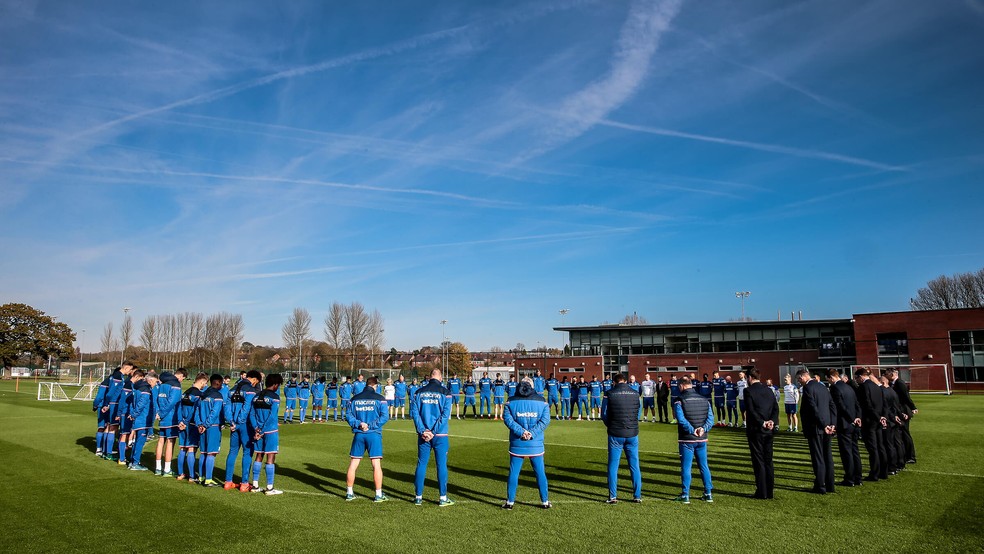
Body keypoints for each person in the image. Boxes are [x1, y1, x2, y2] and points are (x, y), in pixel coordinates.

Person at [502, 378, 551, 510]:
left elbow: (507, 419)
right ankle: (545, 501)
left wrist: (522, 432)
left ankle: (510, 502)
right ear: (532, 386)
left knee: (514, 473)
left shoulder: (510, 401)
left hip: (518, 443)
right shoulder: (542, 402)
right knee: (540, 473)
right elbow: (545, 421)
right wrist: (531, 433)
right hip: (535, 443)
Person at [410, 369, 454, 506]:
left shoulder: (418, 392)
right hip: (440, 435)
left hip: (423, 435)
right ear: (440, 377)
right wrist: (433, 431)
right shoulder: (446, 392)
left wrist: (423, 430)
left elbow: (415, 414)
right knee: (441, 465)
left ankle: (418, 497)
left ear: (430, 377)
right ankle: (442, 497)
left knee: (421, 464)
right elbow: (445, 416)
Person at [345, 376, 390, 502]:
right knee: (376, 465)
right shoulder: (380, 398)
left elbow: (348, 415)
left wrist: (359, 423)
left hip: (359, 433)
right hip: (373, 434)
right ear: (375, 385)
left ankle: (349, 492)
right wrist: (370, 425)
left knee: (353, 464)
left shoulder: (354, 399)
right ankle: (378, 494)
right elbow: (384, 417)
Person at [672, 377, 714, 504]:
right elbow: (711, 419)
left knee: (686, 467)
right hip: (702, 438)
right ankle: (708, 493)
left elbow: (681, 419)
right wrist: (703, 429)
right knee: (704, 466)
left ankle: (685, 495)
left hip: (687, 439)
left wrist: (692, 430)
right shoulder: (704, 399)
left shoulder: (679, 401)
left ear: (682, 386)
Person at [601, 374, 642, 503]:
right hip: (632, 433)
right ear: (625, 381)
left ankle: (613, 496)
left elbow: (604, 414)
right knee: (634, 465)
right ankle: (637, 496)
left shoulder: (610, 393)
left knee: (613, 465)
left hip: (615, 433)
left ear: (614, 382)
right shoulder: (635, 393)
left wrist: (611, 424)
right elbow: (638, 412)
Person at [798, 369, 836, 494]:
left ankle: (820, 485)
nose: (799, 382)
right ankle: (830, 484)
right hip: (827, 427)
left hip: (816, 427)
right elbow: (832, 406)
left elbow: (813, 409)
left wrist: (824, 424)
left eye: (799, 379)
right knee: (827, 456)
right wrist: (831, 424)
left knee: (818, 457)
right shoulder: (823, 387)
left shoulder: (808, 388)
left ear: (803, 377)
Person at [743, 369, 778, 499]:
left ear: (750, 378)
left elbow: (750, 411)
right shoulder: (769, 390)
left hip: (756, 430)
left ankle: (762, 491)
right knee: (768, 460)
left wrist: (762, 422)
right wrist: (772, 421)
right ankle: (770, 491)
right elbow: (775, 408)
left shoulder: (748, 391)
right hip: (769, 430)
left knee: (759, 461)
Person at [223, 370, 261, 490]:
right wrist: (240, 420)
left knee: (232, 451)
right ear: (254, 379)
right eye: (257, 382)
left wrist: (231, 421)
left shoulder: (233, 388)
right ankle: (244, 483)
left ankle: (228, 482)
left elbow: (227, 407)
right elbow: (247, 406)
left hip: (234, 424)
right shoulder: (249, 389)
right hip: (244, 424)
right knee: (247, 452)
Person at [248, 372, 283, 495]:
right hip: (270, 431)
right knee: (270, 457)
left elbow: (251, 414)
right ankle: (269, 488)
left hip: (257, 431)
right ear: (275, 384)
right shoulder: (274, 397)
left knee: (258, 455)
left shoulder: (256, 396)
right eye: (278, 385)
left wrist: (256, 428)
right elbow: (272, 417)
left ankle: (255, 485)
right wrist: (262, 430)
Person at [828, 369, 862, 487]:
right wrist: (857, 417)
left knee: (846, 452)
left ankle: (850, 478)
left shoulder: (835, 388)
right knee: (855, 451)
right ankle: (858, 477)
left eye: (828, 379)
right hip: (854, 423)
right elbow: (857, 404)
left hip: (844, 424)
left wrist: (852, 419)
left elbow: (840, 407)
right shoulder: (849, 387)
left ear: (832, 377)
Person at [855, 368, 887, 481]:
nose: (856, 380)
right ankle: (883, 472)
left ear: (861, 376)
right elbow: (883, 403)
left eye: (856, 378)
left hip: (869, 421)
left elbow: (867, 405)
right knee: (880, 446)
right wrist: (882, 417)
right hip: (878, 419)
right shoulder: (876, 386)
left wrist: (877, 417)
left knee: (873, 448)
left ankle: (874, 473)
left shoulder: (863, 387)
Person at [195, 374, 225, 487]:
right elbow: (215, 412)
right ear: (217, 383)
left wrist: (199, 424)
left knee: (203, 452)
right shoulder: (217, 396)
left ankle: (201, 477)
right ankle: (208, 479)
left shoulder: (202, 395)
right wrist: (206, 424)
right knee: (211, 453)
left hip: (202, 427)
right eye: (221, 383)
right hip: (212, 426)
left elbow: (197, 411)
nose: (221, 385)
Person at [153, 369, 185, 476]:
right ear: (179, 376)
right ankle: (167, 469)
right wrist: (162, 413)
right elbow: (172, 402)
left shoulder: (161, 385)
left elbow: (156, 400)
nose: (182, 380)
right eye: (182, 378)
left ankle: (157, 468)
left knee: (161, 441)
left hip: (162, 417)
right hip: (171, 417)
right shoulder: (175, 385)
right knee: (171, 442)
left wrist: (158, 412)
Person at [176, 373, 208, 481]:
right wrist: (185, 421)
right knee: (191, 448)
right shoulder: (198, 395)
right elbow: (195, 410)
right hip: (192, 424)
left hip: (182, 424)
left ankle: (180, 473)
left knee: (182, 448)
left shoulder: (185, 393)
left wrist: (180, 421)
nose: (205, 386)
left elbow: (179, 408)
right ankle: (191, 476)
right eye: (205, 383)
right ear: (202, 382)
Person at [127, 370, 156, 471]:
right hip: (143, 419)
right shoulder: (145, 389)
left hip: (139, 418)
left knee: (137, 441)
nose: (155, 384)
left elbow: (133, 403)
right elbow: (141, 403)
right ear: (150, 380)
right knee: (140, 441)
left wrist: (132, 413)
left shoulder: (137, 388)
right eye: (155, 382)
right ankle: (135, 463)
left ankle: (132, 462)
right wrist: (134, 414)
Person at [888, 368, 917, 464]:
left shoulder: (899, 383)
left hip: (904, 411)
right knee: (902, 433)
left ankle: (911, 456)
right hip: (901, 410)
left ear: (892, 374)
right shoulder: (895, 383)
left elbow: (906, 396)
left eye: (887, 374)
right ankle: (906, 455)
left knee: (905, 433)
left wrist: (913, 407)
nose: (886, 376)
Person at [880, 375, 904, 475]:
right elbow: (896, 406)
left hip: (890, 420)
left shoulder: (884, 392)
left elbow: (887, 408)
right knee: (896, 443)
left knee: (889, 444)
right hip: (894, 419)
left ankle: (892, 466)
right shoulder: (892, 391)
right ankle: (900, 463)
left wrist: (894, 417)